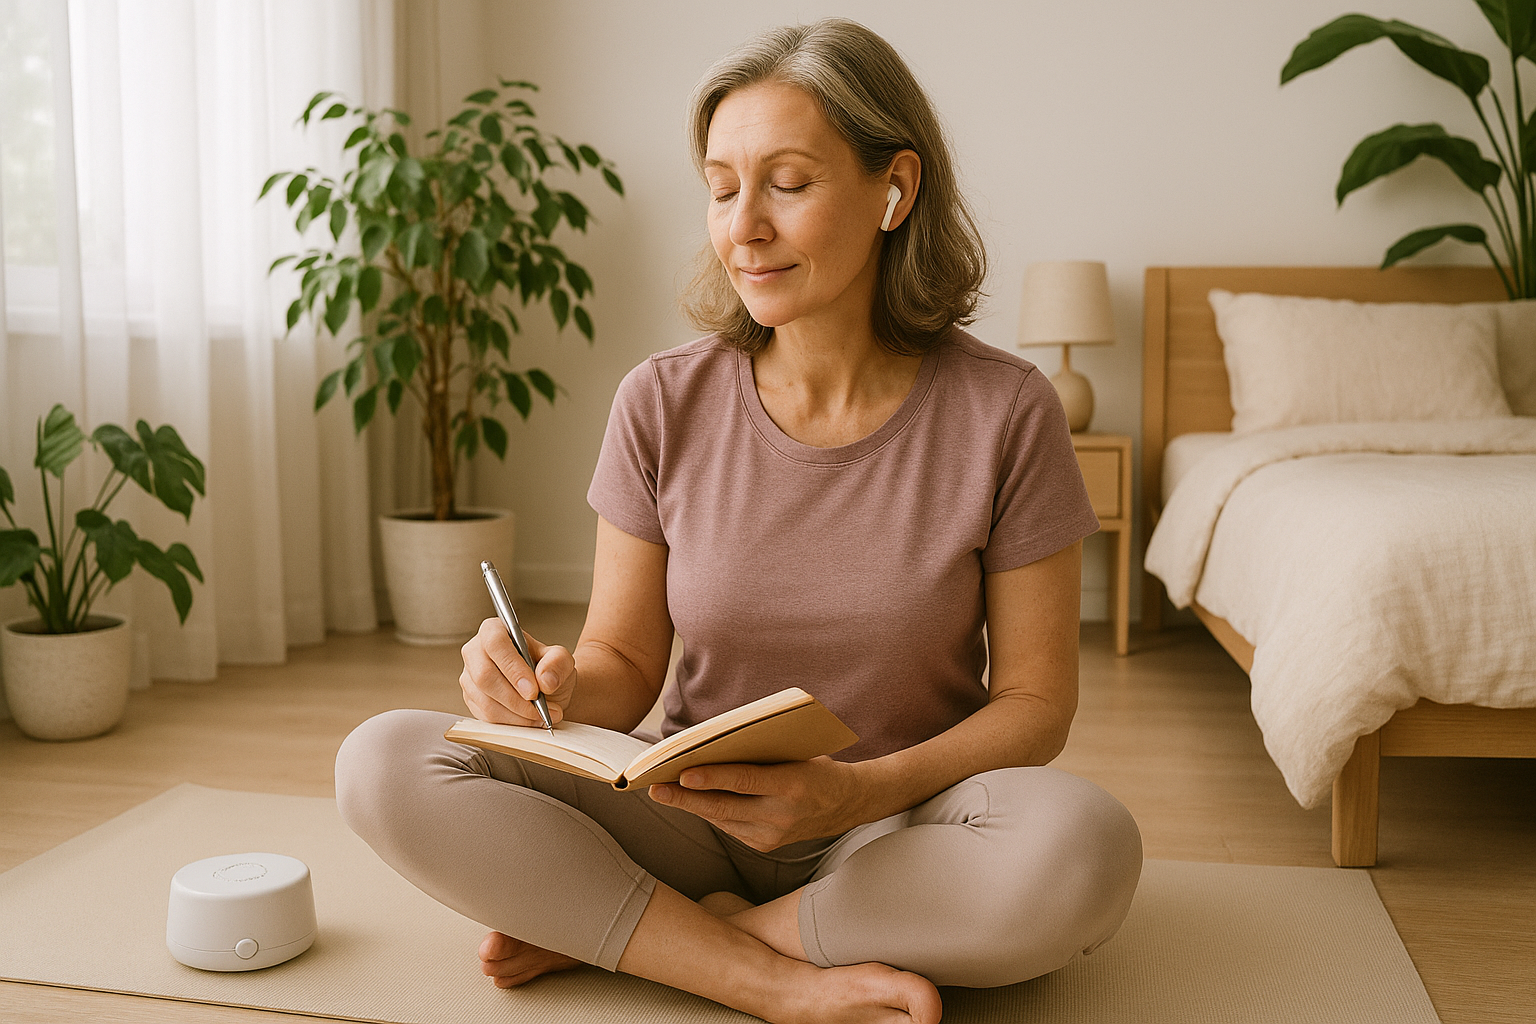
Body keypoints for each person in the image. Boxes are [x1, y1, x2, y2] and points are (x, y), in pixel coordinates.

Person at [336, 18, 1141, 1024]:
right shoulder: (661, 399)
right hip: (687, 814)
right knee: (382, 759)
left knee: (1086, 845)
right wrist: (549, 684)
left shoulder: (1008, 411)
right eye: (722, 189)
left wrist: (858, 793)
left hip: (897, 826)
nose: (744, 227)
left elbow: (1035, 704)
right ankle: (762, 975)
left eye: (788, 183)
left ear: (895, 189)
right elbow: (624, 663)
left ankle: (660, 930)